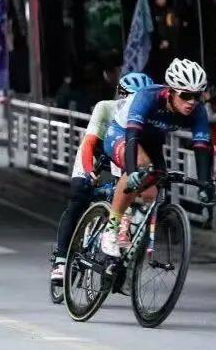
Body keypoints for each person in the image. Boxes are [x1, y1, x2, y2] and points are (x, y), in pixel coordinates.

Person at [101, 59, 216, 257]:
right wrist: (132, 171)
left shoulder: (198, 111)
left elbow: (202, 147)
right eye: (186, 95)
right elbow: (132, 136)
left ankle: (133, 233)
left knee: (156, 184)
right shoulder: (148, 97)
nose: (192, 101)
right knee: (141, 166)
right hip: (123, 133)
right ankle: (111, 229)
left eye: (197, 96)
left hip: (152, 140)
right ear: (170, 91)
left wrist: (205, 184)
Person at [49, 72, 153, 286]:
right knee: (79, 195)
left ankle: (117, 254)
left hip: (121, 154)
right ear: (121, 96)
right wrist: (89, 171)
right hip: (96, 152)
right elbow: (88, 143)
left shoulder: (147, 116)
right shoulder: (105, 107)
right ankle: (61, 260)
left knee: (127, 198)